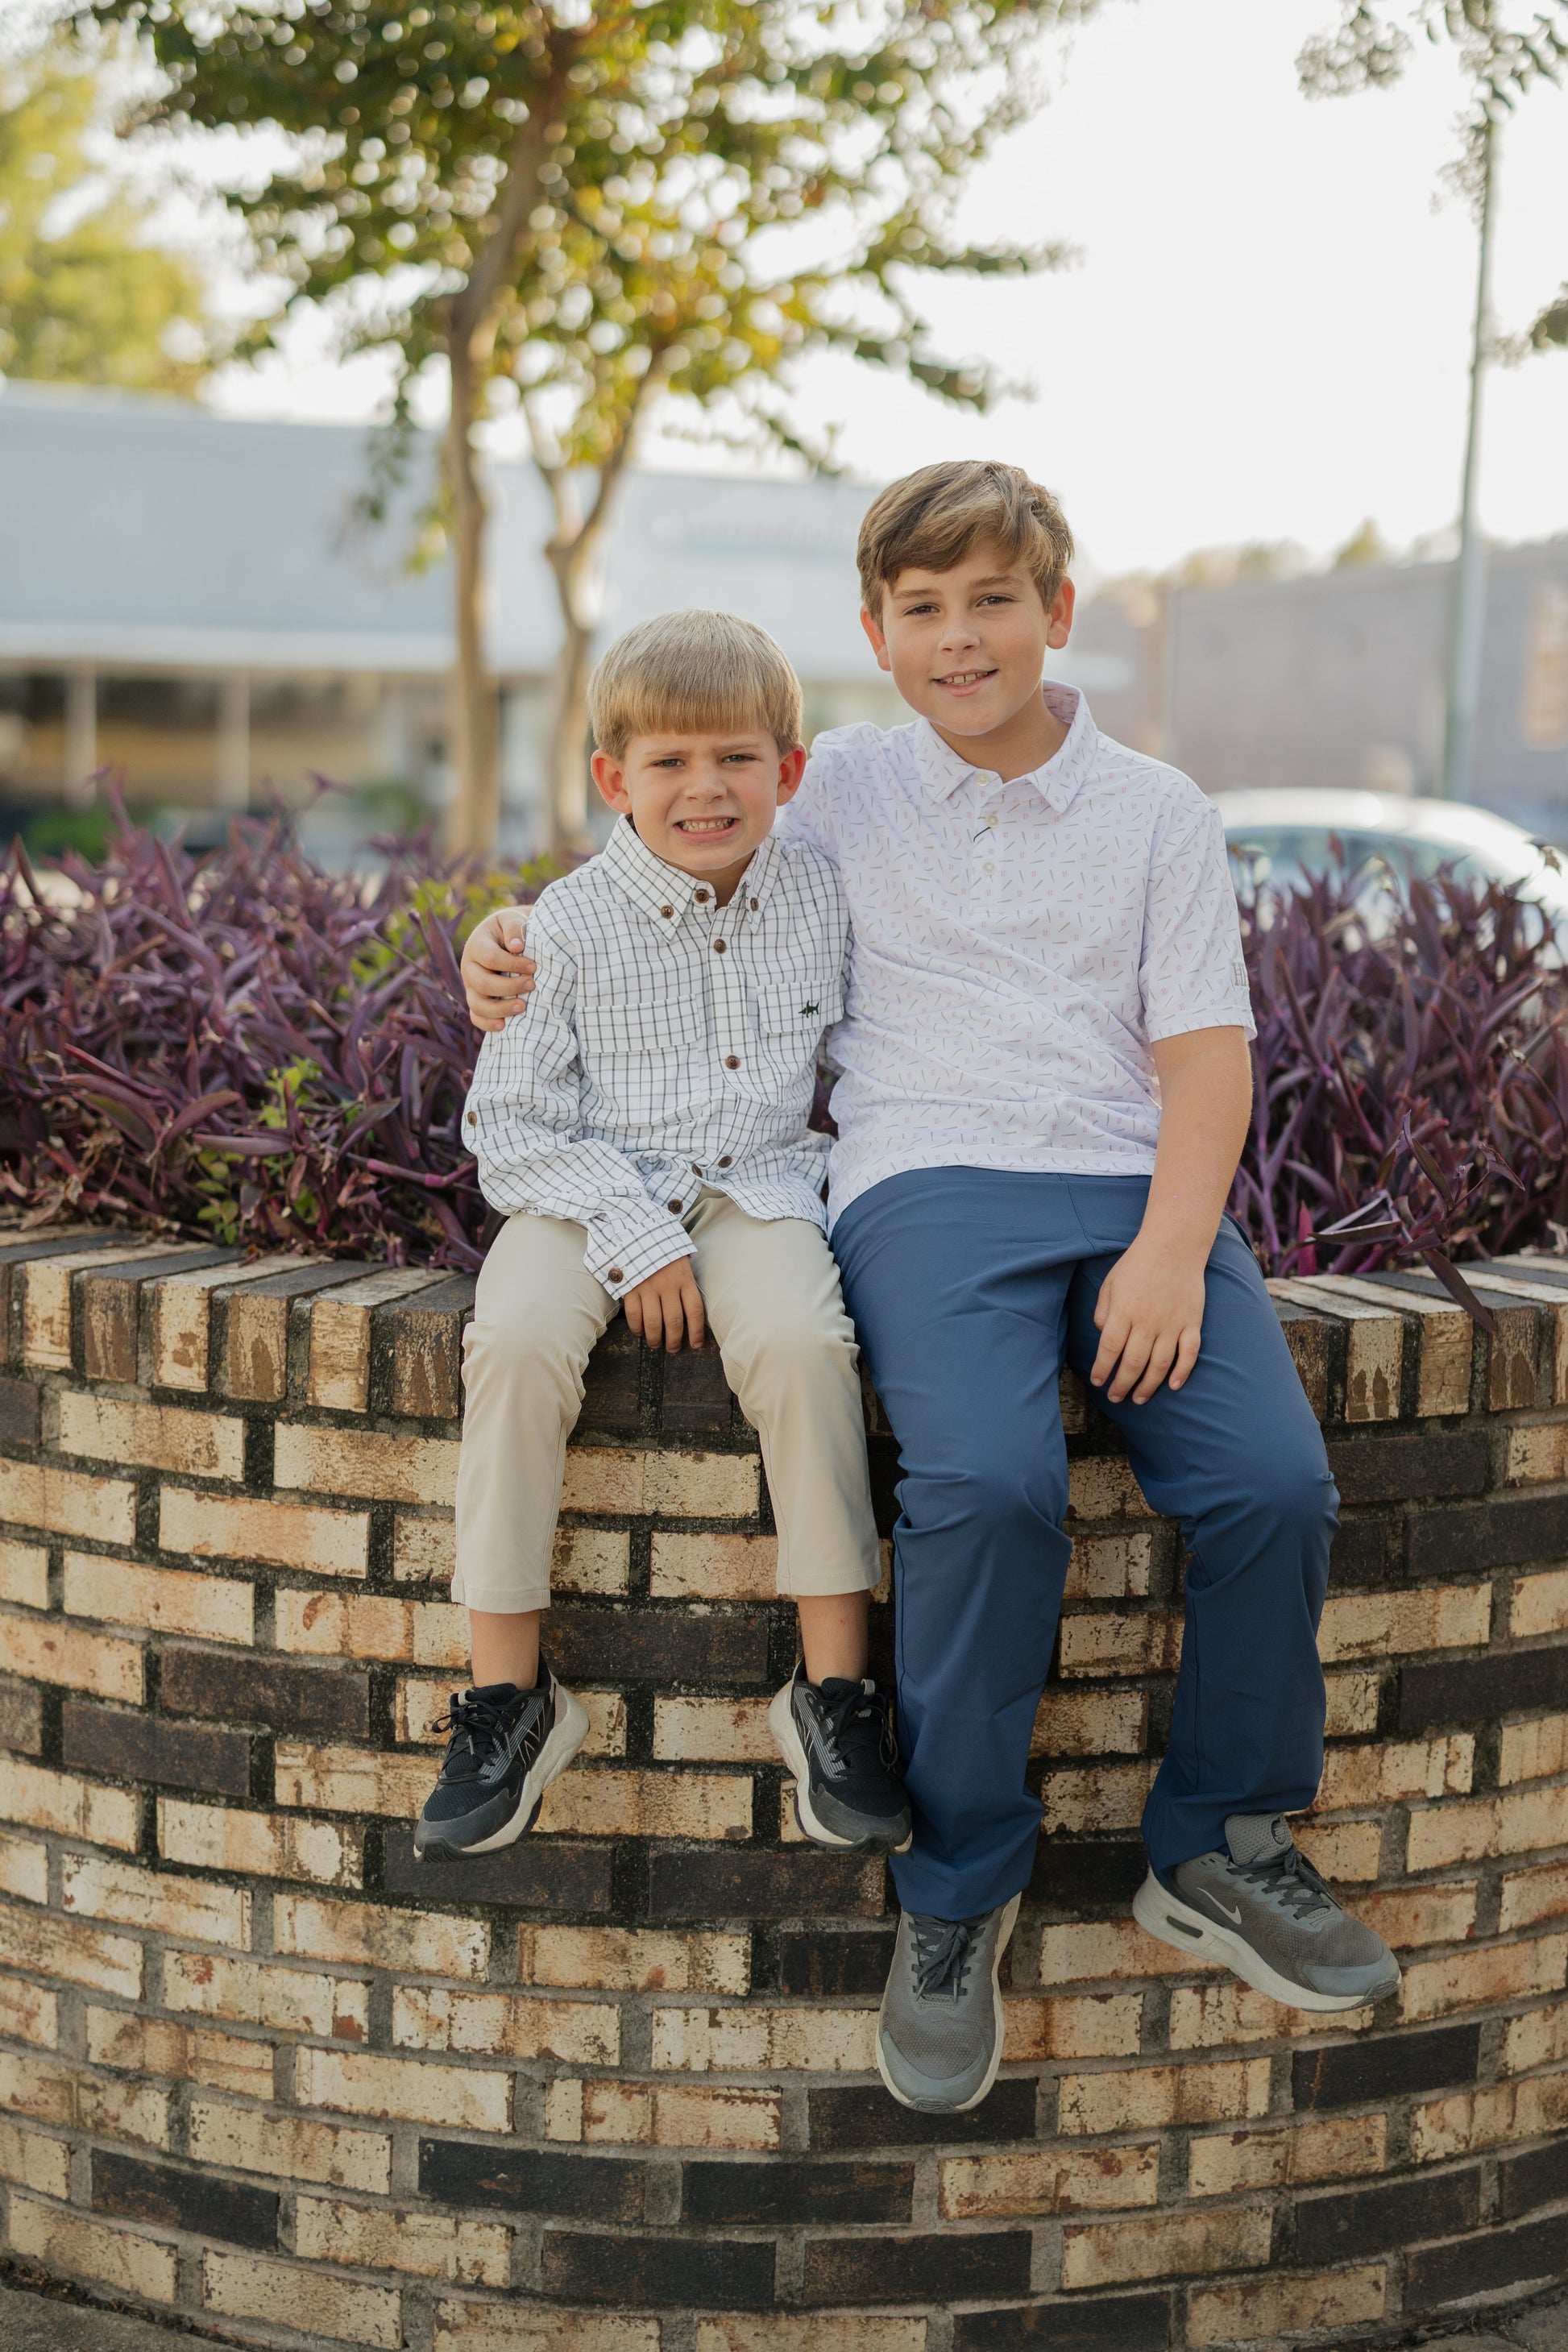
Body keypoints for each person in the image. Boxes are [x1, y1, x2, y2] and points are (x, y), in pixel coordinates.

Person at [459, 463, 1400, 2112]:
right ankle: (956, 1891)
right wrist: (501, 943)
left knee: (1271, 1483)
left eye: (990, 602)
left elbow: (1204, 1060)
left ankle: (1224, 1838)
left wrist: (1174, 1245)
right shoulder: (847, 787)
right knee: (981, 1478)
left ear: (1055, 611)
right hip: (926, 1186)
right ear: (879, 636)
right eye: (920, 608)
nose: (958, 638)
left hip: (1128, 1190)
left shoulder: (1158, 814)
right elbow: (666, 843)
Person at [415, 610, 911, 1870]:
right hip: (580, 1193)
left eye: (737, 760)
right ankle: (507, 1699)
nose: (706, 789)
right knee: (516, 1339)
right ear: (612, 780)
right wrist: (638, 1237)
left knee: (805, 1344)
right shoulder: (559, 930)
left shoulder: (822, 893)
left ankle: (835, 1696)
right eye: (670, 763)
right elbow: (509, 1123)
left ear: (787, 773)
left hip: (757, 1186)